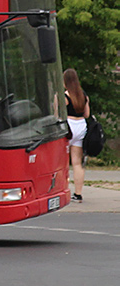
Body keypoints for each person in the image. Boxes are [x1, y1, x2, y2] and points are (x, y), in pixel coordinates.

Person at [64, 68, 91, 202]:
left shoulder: (65, 96)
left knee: (61, 161)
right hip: (81, 126)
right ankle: (78, 194)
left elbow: (58, 113)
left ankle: (61, 190)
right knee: (77, 163)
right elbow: (86, 114)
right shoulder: (83, 95)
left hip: (68, 127)